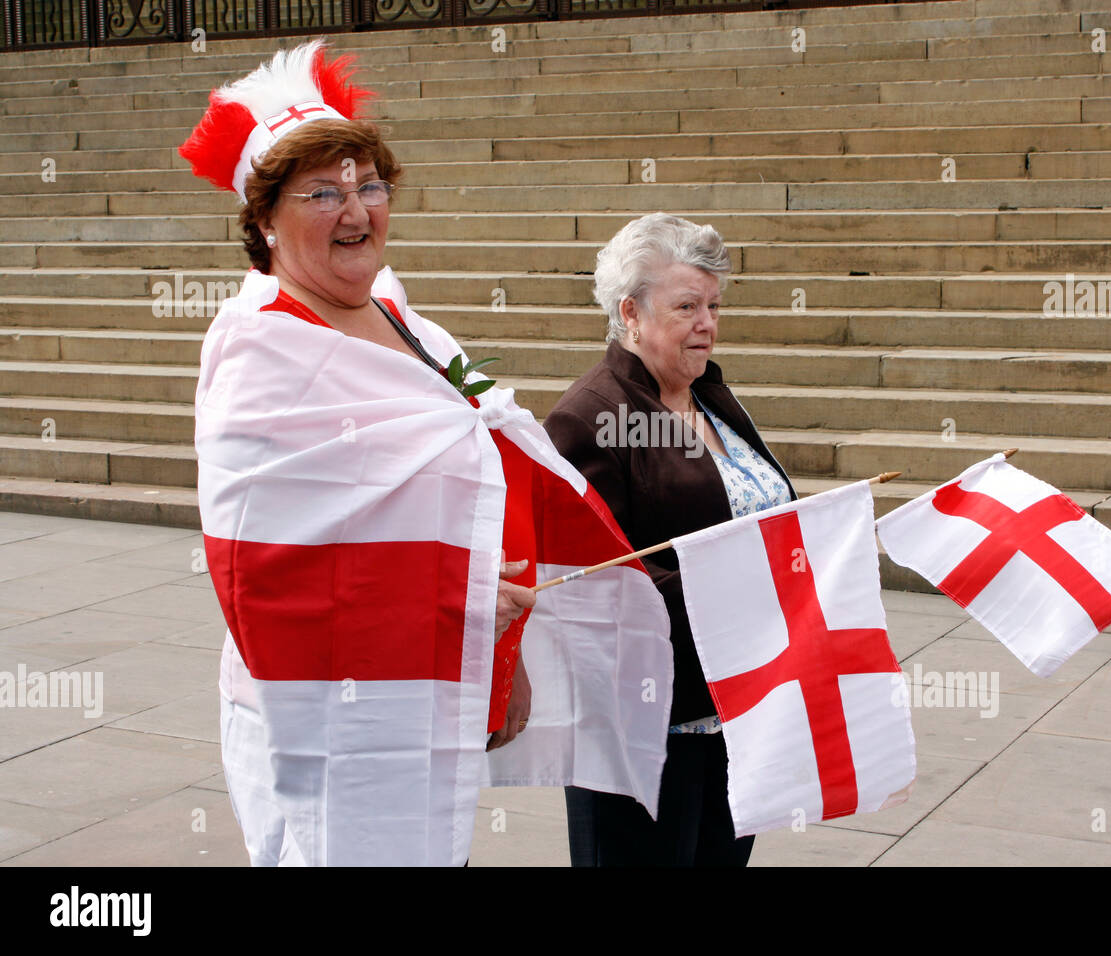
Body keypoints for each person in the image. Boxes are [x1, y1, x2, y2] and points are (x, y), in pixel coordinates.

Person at [183, 41, 671, 866]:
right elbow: (269, 569)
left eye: (369, 185)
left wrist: (494, 659)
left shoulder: (409, 323)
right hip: (323, 708)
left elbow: (476, 481)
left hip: (425, 683)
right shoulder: (258, 353)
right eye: (322, 192)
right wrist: (465, 601)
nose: (356, 210)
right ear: (263, 220)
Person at [545, 213, 797, 866]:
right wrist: (743, 585)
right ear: (630, 313)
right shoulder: (590, 419)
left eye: (713, 305)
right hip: (648, 733)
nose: (707, 323)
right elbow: (591, 580)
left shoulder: (710, 396)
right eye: (687, 306)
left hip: (738, 711)